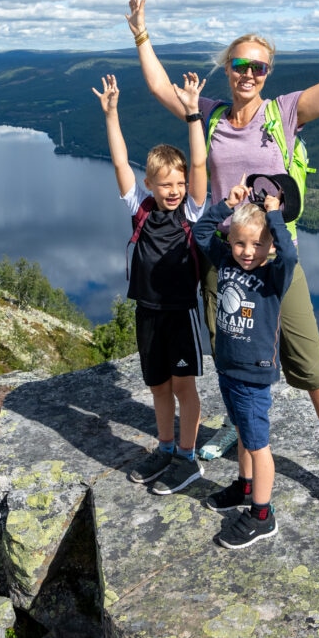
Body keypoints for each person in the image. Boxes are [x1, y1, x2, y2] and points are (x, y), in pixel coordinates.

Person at [127, 0, 319, 536]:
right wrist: (141, 34)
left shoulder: (285, 113)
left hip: (276, 270)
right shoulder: (210, 115)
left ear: (269, 74)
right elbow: (161, 89)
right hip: (222, 265)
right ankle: (246, 469)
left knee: (311, 369)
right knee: (236, 367)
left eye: (259, 68)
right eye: (241, 65)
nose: (249, 74)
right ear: (228, 69)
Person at [93, 71, 209, 495]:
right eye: (167, 184)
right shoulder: (140, 209)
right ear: (151, 185)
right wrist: (111, 114)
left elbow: (198, 162)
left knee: (184, 386)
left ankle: (188, 456)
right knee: (158, 385)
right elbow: (121, 161)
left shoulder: (190, 214)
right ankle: (164, 447)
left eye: (179, 184)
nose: (176, 190)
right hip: (147, 312)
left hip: (180, 313)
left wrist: (194, 113)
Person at [193, 176, 298, 548]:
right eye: (239, 242)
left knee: (258, 445)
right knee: (241, 434)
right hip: (228, 369)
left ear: (269, 245)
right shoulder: (225, 261)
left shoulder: (273, 276)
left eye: (257, 244)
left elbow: (291, 255)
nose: (247, 251)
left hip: (253, 375)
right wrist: (227, 203)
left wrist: (275, 218)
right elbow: (201, 233)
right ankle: (244, 486)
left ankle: (262, 514)